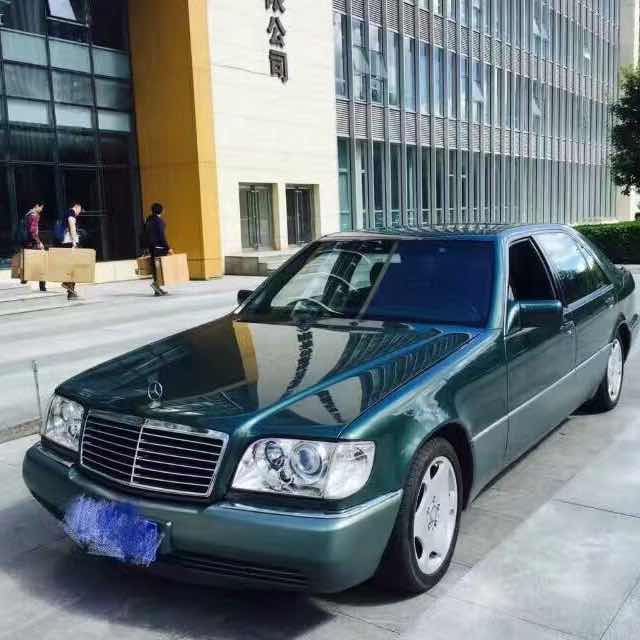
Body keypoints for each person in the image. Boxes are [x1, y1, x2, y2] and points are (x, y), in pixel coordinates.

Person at [145, 202, 172, 296]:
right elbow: (162, 236)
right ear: (161, 211)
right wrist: (168, 247)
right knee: (161, 268)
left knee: (156, 268)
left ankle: (157, 289)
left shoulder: (148, 220)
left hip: (152, 247)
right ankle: (156, 285)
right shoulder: (158, 221)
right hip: (159, 248)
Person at [20, 203, 47, 292]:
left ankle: (24, 278)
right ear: (36, 206)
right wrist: (39, 242)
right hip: (33, 242)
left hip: (26, 242)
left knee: (27, 261)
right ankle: (42, 286)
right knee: (42, 263)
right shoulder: (35, 215)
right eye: (41, 207)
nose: (41, 209)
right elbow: (33, 231)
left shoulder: (27, 214)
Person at [61, 202, 83, 301]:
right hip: (70, 242)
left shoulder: (67, 213)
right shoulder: (71, 213)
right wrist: (74, 242)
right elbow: (72, 226)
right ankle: (67, 284)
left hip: (66, 242)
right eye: (79, 210)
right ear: (77, 207)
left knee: (71, 266)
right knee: (73, 266)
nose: (79, 213)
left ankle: (70, 291)